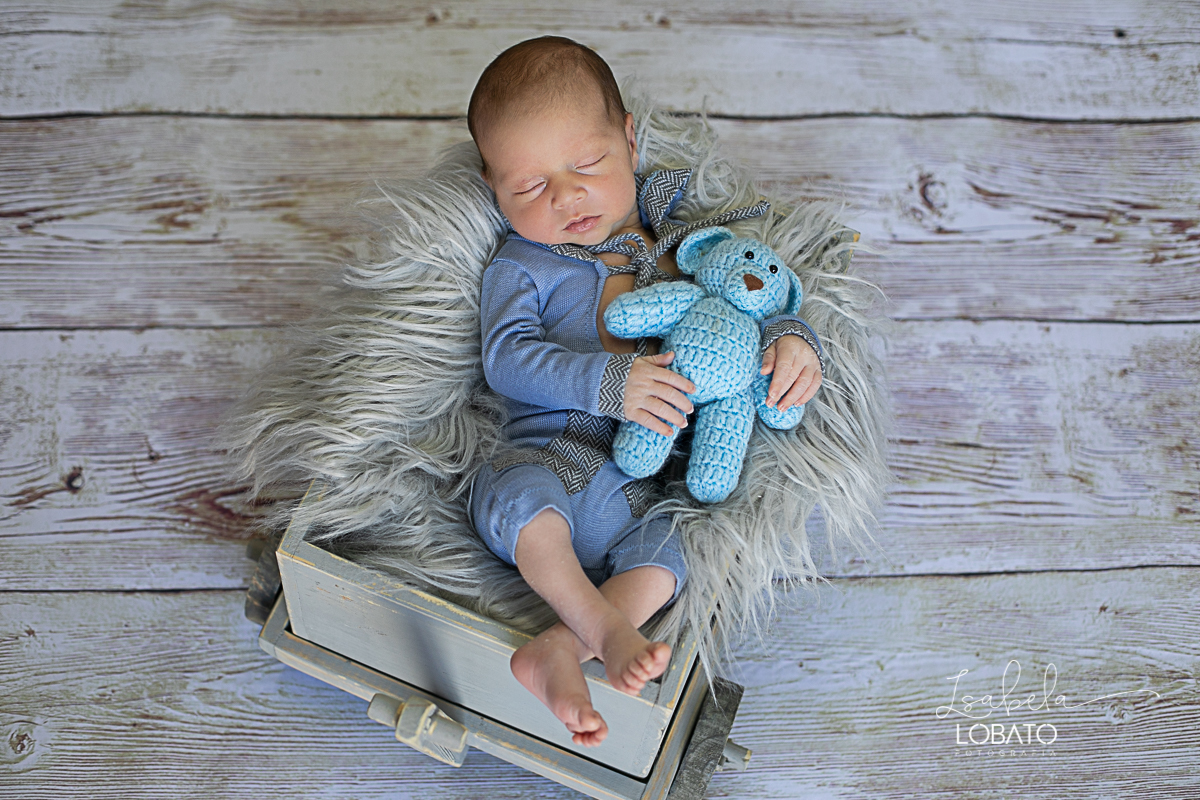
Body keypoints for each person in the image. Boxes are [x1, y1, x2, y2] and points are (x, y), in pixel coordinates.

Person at [466, 36, 824, 747]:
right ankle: (599, 627)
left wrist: (791, 338)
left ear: (629, 139)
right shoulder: (522, 263)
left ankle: (559, 649)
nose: (566, 196)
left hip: (644, 494)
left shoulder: (681, 237)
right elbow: (505, 358)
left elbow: (749, 286)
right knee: (515, 497)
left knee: (681, 547)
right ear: (492, 187)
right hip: (549, 464)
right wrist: (608, 382)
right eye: (529, 187)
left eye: (588, 164)